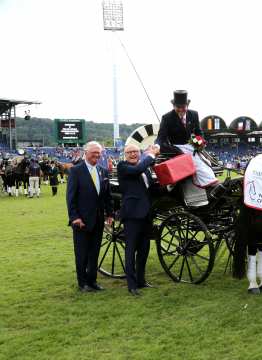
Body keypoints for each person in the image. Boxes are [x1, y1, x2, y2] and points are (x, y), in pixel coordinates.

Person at [66, 141, 113, 292]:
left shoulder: (103, 171)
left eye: (99, 153)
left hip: (98, 220)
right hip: (82, 221)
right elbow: (70, 197)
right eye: (94, 153)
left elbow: (107, 196)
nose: (97, 156)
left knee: (94, 253)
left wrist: (110, 214)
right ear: (85, 153)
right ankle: (82, 283)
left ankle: (92, 281)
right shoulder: (76, 171)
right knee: (82, 254)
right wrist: (75, 217)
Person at [117, 144, 160, 296]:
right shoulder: (123, 166)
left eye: (135, 151)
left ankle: (141, 281)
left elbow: (151, 189)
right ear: (125, 155)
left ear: (139, 153)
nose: (133, 154)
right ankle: (132, 285)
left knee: (144, 250)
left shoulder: (145, 169)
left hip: (146, 215)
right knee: (131, 250)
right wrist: (151, 155)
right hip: (132, 215)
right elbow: (137, 170)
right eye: (129, 152)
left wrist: (169, 185)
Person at [156, 90, 219, 189]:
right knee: (194, 161)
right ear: (174, 106)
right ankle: (210, 182)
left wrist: (200, 141)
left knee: (206, 161)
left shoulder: (194, 114)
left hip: (190, 145)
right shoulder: (167, 117)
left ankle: (204, 184)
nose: (181, 109)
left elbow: (198, 132)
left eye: (183, 107)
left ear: (187, 105)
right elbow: (161, 136)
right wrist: (156, 146)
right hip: (175, 146)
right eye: (178, 107)